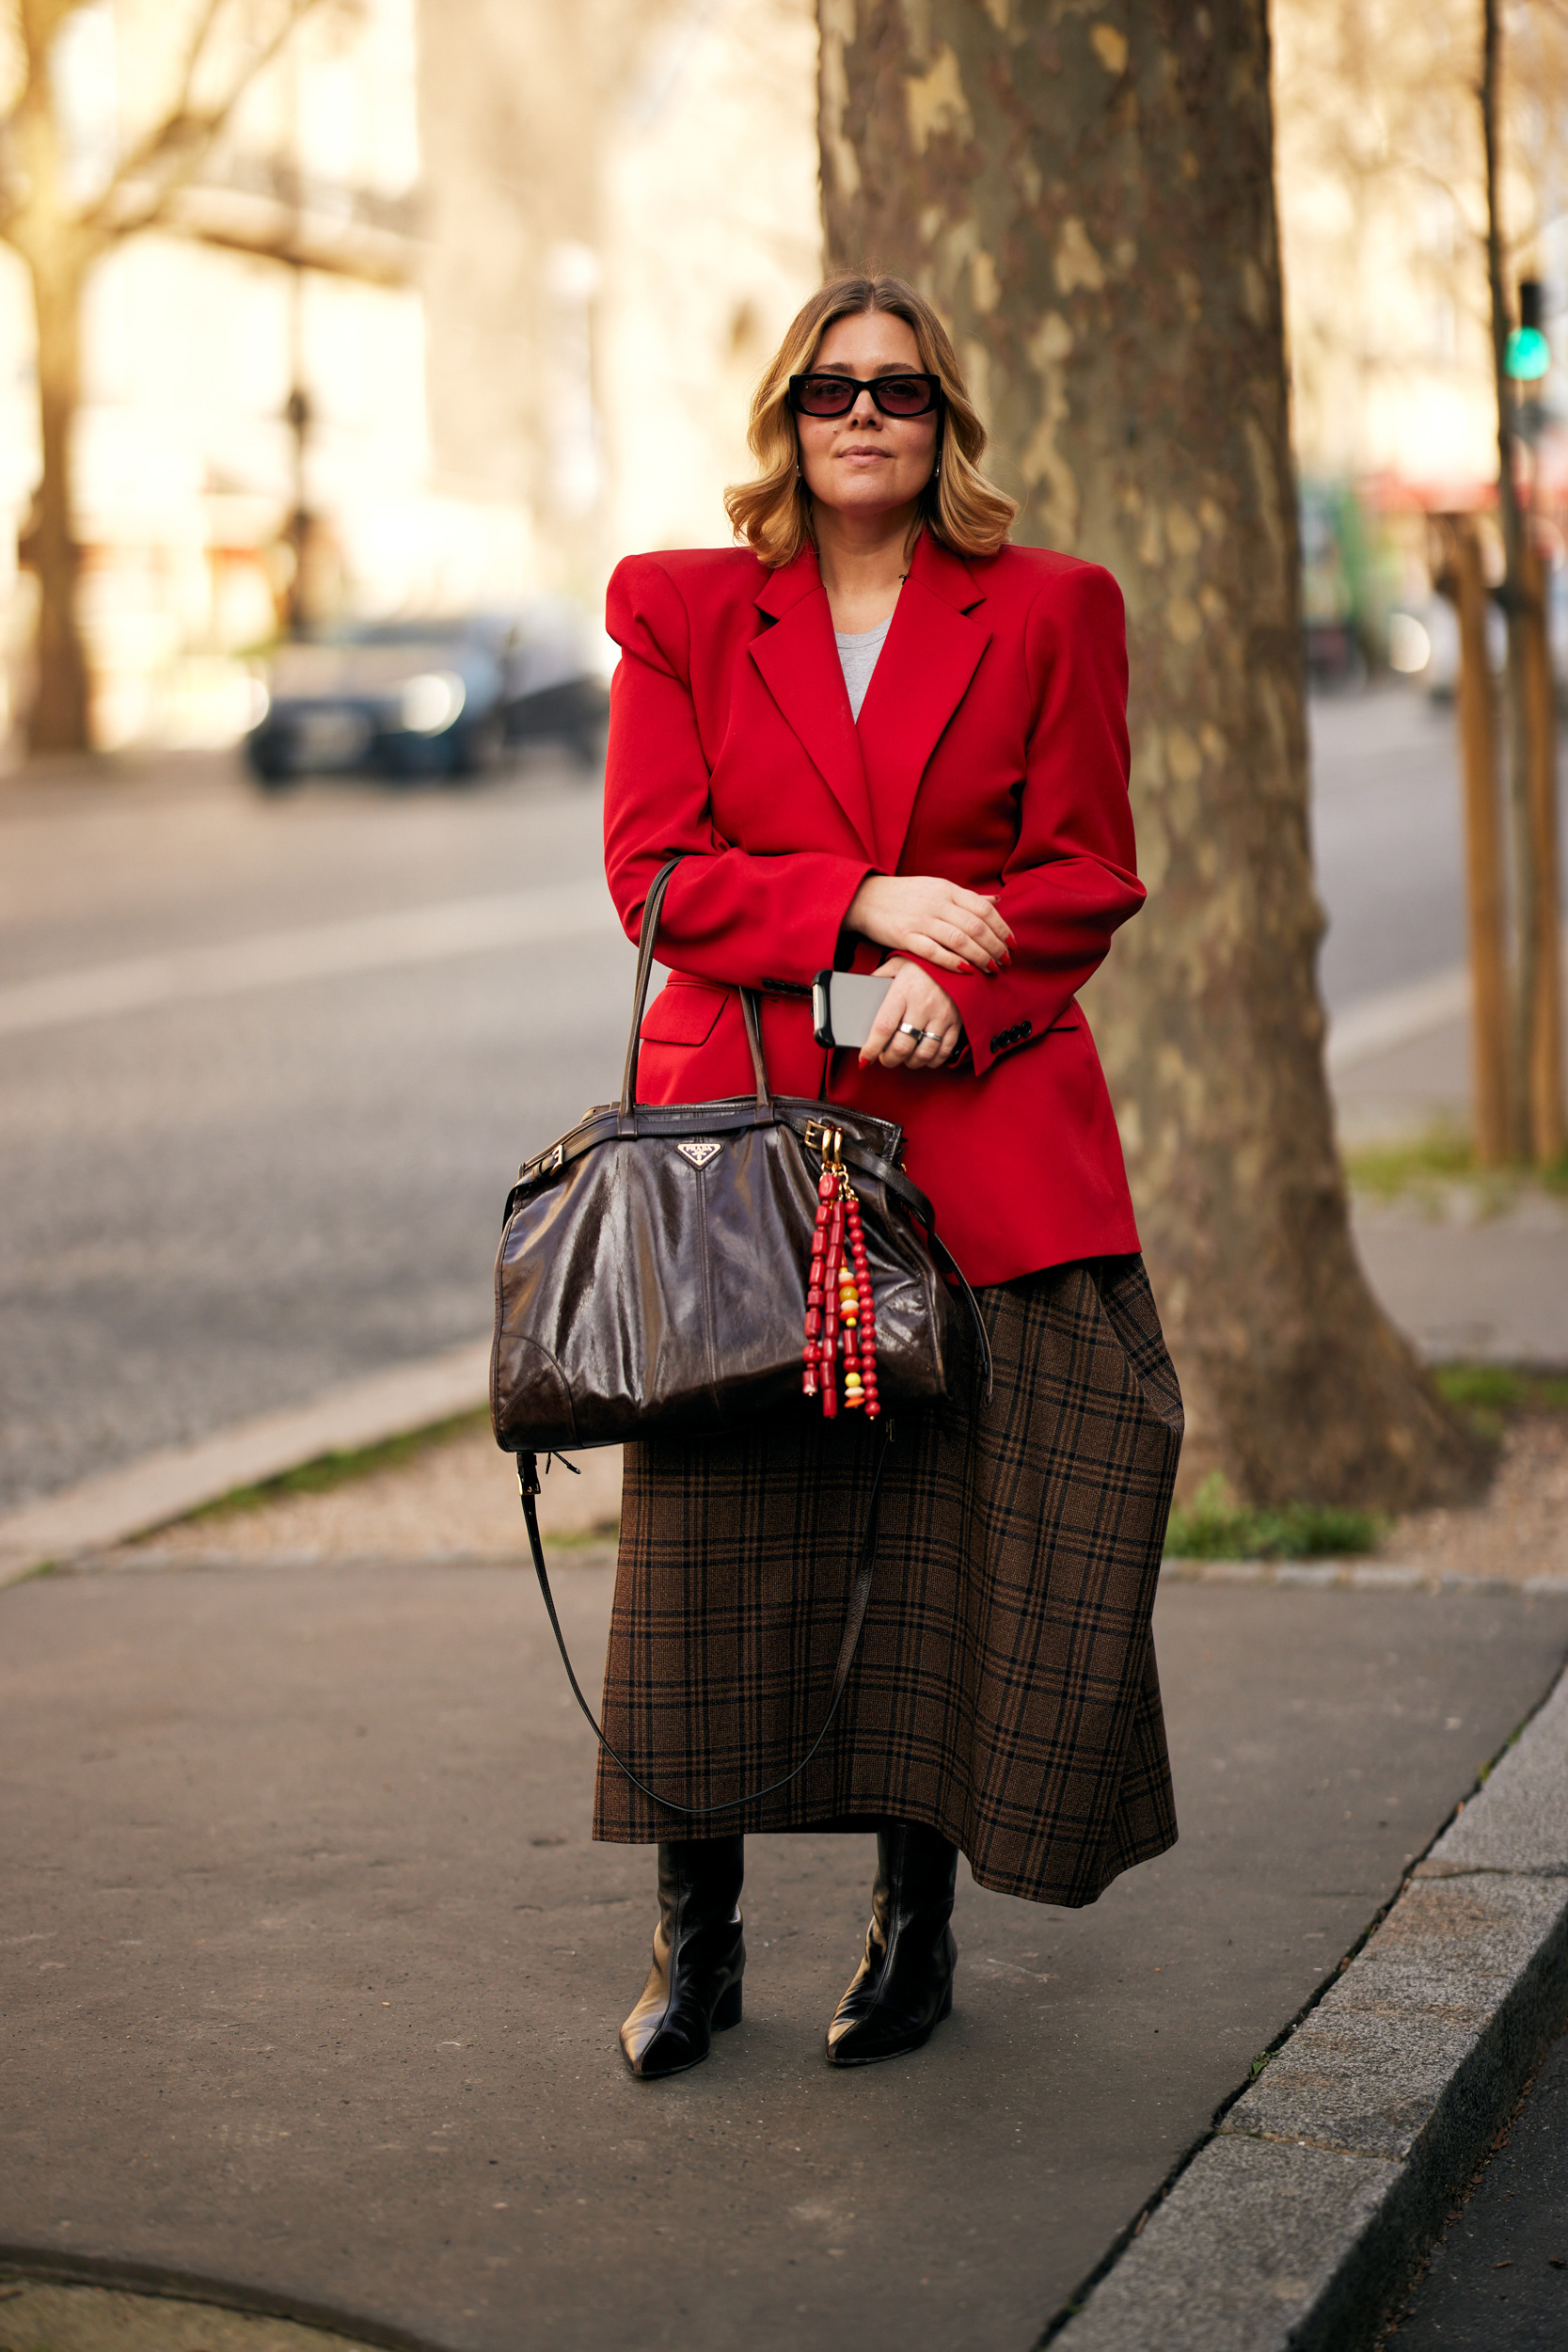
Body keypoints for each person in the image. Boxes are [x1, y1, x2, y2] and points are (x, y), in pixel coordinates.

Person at [596, 273, 1183, 2081]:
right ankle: (694, 1951)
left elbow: (1086, 866)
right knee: (715, 1556)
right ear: (785, 413)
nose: (867, 418)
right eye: (834, 389)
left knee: (947, 1548)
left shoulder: (1053, 610)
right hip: (751, 1141)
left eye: (904, 394)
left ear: (948, 425)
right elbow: (654, 875)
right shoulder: (686, 607)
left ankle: (912, 1932)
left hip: (975, 1131)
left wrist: (956, 981)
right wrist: (854, 912)